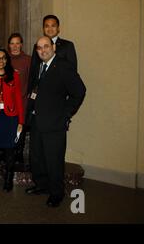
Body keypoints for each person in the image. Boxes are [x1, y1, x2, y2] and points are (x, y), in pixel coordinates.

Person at [25, 36, 86, 207]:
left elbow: (79, 91)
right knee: (37, 157)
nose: (43, 50)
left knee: (54, 160)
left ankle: (56, 193)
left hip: (55, 123)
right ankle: (42, 186)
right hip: (37, 121)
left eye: (46, 46)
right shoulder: (38, 66)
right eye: (39, 48)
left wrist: (66, 114)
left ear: (53, 47)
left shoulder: (63, 66)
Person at [0, 48, 24, 192]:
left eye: (3, 58)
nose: (1, 61)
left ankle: (8, 180)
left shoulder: (14, 76)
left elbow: (18, 99)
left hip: (10, 118)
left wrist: (21, 121)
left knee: (9, 151)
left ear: (7, 60)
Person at [28, 15, 78, 92]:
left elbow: (72, 70)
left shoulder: (67, 45)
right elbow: (33, 70)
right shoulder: (37, 46)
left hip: (59, 91)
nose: (50, 29)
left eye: (53, 26)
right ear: (43, 29)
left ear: (58, 28)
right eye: (47, 26)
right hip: (39, 91)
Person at [7, 33, 31, 164]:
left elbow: (32, 81)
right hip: (6, 104)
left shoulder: (28, 60)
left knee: (20, 131)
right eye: (12, 43)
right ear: (9, 45)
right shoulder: (4, 59)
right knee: (8, 130)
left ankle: (18, 156)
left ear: (21, 44)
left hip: (22, 102)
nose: (15, 46)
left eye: (17, 43)